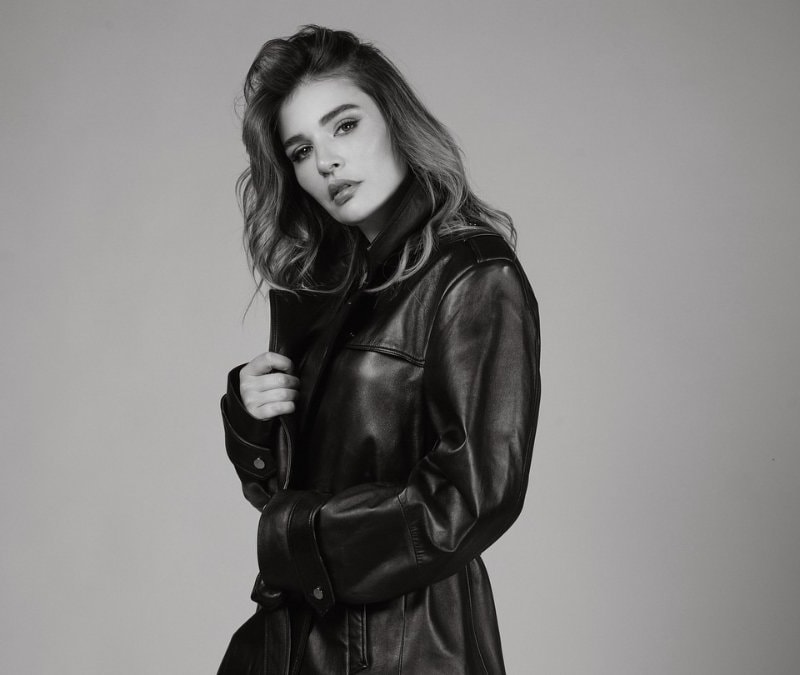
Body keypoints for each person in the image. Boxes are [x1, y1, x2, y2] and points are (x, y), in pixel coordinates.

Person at [218, 25, 541, 675]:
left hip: (408, 646)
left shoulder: (473, 275)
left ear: (395, 120)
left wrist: (299, 536)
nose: (326, 162)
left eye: (344, 126)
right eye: (301, 150)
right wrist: (252, 417)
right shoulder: (326, 290)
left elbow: (473, 497)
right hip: (296, 641)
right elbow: (287, 492)